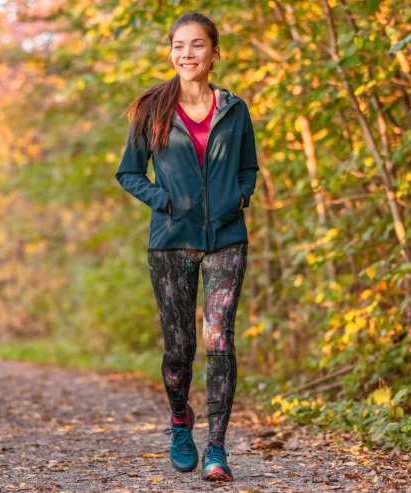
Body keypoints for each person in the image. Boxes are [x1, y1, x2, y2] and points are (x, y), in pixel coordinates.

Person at [115, 12, 258, 482]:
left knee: (219, 340)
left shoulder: (234, 110)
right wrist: (165, 201)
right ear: (170, 52)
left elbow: (248, 168)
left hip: (226, 239)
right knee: (179, 348)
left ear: (215, 53)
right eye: (179, 46)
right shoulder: (152, 109)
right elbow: (129, 173)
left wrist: (239, 197)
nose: (187, 55)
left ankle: (216, 448)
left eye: (198, 46)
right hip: (171, 244)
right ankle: (181, 421)